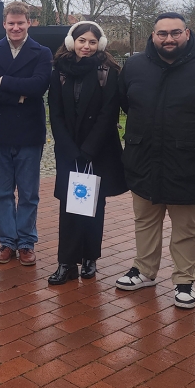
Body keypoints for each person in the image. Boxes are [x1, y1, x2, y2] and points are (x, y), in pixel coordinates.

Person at [116, 12, 195, 308]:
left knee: (186, 226)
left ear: (187, 33)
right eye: (162, 33)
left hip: (189, 161)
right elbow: (125, 103)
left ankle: (185, 280)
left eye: (175, 32)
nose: (168, 38)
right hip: (143, 157)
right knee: (145, 220)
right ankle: (144, 270)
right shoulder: (134, 66)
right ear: (153, 36)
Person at [47, 21, 127, 285]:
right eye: (82, 41)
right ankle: (66, 262)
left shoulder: (108, 72)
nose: (87, 46)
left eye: (92, 42)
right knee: (69, 207)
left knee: (93, 206)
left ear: (99, 44)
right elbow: (55, 113)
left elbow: (109, 114)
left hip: (98, 150)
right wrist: (69, 148)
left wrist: (89, 149)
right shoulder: (59, 71)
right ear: (72, 42)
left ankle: (90, 257)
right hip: (68, 150)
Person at [0, 1, 53, 266]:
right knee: (2, 192)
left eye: (21, 23)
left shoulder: (42, 52)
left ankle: (26, 242)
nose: (16, 27)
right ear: (4, 24)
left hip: (29, 132)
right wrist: (18, 96)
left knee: (29, 193)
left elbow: (38, 86)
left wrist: (3, 82)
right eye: (11, 23)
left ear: (29, 23)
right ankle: (7, 241)